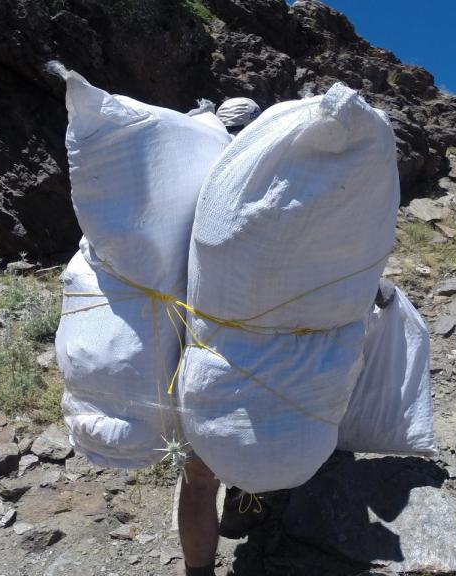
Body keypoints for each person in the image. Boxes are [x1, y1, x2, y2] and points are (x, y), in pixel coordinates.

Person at [177, 96, 262, 576]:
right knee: (252, 436)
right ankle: (243, 505)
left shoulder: (188, 173)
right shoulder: (267, 176)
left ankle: (198, 572)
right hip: (258, 341)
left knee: (198, 475)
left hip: (191, 342)